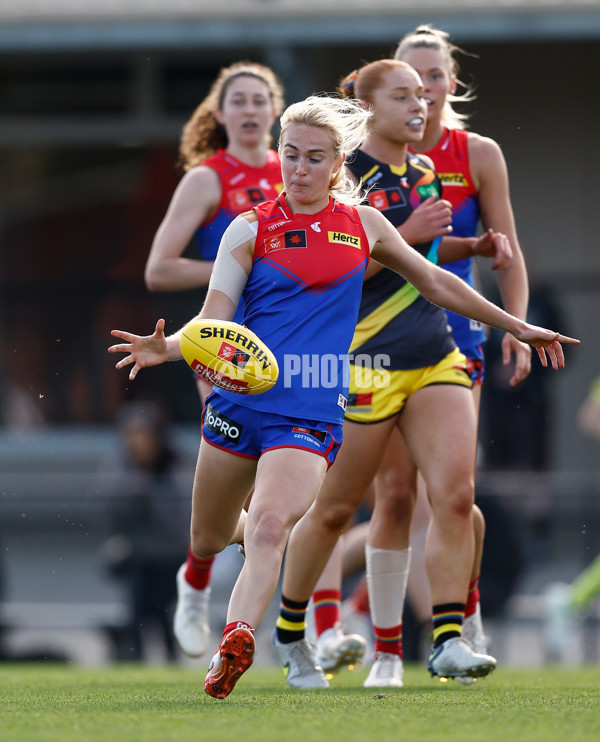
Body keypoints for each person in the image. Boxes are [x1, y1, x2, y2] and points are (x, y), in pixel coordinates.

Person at [109, 93, 577, 699]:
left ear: (337, 165)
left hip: (310, 413)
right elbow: (215, 322)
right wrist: (168, 348)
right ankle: (196, 575)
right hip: (239, 406)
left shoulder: (364, 225)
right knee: (212, 535)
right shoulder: (248, 228)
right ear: (278, 155)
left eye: (313, 158)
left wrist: (517, 324)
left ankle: (238, 639)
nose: (298, 168)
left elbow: (435, 281)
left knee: (273, 526)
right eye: (290, 155)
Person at [273, 60, 550, 691]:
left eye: (423, 95)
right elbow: (334, 272)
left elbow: (421, 264)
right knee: (337, 508)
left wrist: (487, 275)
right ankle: (294, 635)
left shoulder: (422, 171)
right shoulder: (344, 181)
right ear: (367, 109)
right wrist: (410, 232)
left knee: (455, 495)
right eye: (403, 96)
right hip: (365, 362)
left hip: (433, 353)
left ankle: (448, 639)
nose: (420, 104)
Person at [143, 62, 285, 659]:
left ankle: (272, 633)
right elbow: (158, 269)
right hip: (223, 347)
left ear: (275, 110)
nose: (251, 110)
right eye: (240, 101)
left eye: (260, 100)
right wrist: (237, 262)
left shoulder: (295, 174)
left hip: (287, 351)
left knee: (275, 508)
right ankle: (196, 580)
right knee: (229, 507)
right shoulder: (208, 179)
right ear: (221, 114)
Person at [100, 400, 190, 661]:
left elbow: (179, 520)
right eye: (131, 436)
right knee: (135, 615)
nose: (138, 443)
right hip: (137, 557)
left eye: (144, 435)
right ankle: (133, 660)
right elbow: (106, 512)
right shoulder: (121, 467)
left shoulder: (174, 466)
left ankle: (172, 663)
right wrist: (131, 492)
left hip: (169, 558)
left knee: (165, 614)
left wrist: (149, 493)